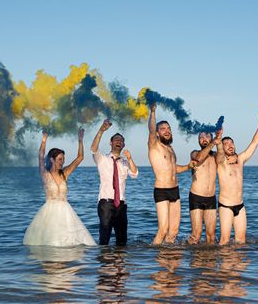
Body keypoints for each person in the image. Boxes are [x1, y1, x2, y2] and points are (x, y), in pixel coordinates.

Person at [23, 129, 97, 246]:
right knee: (52, 243)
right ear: (52, 159)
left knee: (70, 244)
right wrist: (44, 139)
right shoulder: (45, 174)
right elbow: (41, 157)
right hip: (49, 213)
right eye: (60, 159)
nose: (62, 162)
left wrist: (80, 140)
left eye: (63, 159)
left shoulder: (65, 173)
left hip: (66, 213)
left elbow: (80, 157)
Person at [216, 112, 258, 245]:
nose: (230, 145)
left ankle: (238, 265)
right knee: (224, 241)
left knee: (241, 241)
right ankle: (224, 265)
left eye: (231, 142)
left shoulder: (241, 159)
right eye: (226, 143)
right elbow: (220, 151)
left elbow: (255, 142)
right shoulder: (221, 162)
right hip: (225, 206)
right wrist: (219, 137)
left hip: (240, 205)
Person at [147, 104, 194, 244]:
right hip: (161, 190)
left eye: (168, 128)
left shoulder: (170, 148)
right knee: (163, 230)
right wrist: (153, 111)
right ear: (157, 133)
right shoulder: (154, 146)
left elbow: (173, 169)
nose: (167, 131)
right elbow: (150, 130)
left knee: (173, 231)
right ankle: (156, 259)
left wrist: (187, 166)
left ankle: (170, 262)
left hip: (175, 190)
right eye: (163, 129)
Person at [91, 119, 139, 246]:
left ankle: (119, 265)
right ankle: (105, 264)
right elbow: (93, 149)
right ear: (111, 143)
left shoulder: (125, 162)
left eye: (121, 141)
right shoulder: (102, 159)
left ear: (123, 145)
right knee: (104, 239)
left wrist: (129, 158)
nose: (119, 142)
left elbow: (135, 174)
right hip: (106, 204)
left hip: (121, 205)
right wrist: (101, 130)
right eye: (116, 140)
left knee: (122, 240)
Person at [188, 130, 222, 244]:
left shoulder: (215, 156)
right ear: (198, 140)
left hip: (211, 198)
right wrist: (213, 142)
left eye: (207, 136)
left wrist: (219, 140)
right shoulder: (194, 153)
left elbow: (221, 158)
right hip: (196, 197)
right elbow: (198, 158)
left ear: (211, 138)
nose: (204, 138)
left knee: (211, 236)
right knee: (196, 235)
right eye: (201, 137)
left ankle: (210, 260)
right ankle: (194, 259)